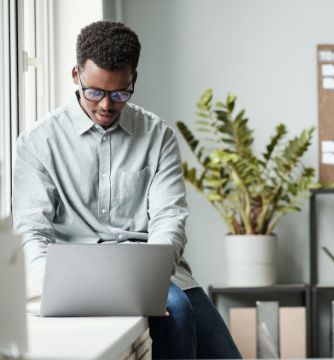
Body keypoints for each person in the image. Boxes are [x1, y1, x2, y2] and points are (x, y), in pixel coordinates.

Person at [12, 20, 242, 360]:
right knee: (176, 311)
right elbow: (31, 230)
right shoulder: (37, 143)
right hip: (75, 276)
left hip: (151, 270)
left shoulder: (157, 136)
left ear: (133, 79)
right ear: (76, 76)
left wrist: (149, 282)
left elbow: (170, 218)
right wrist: (54, 288)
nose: (106, 105)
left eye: (119, 93)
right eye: (95, 92)